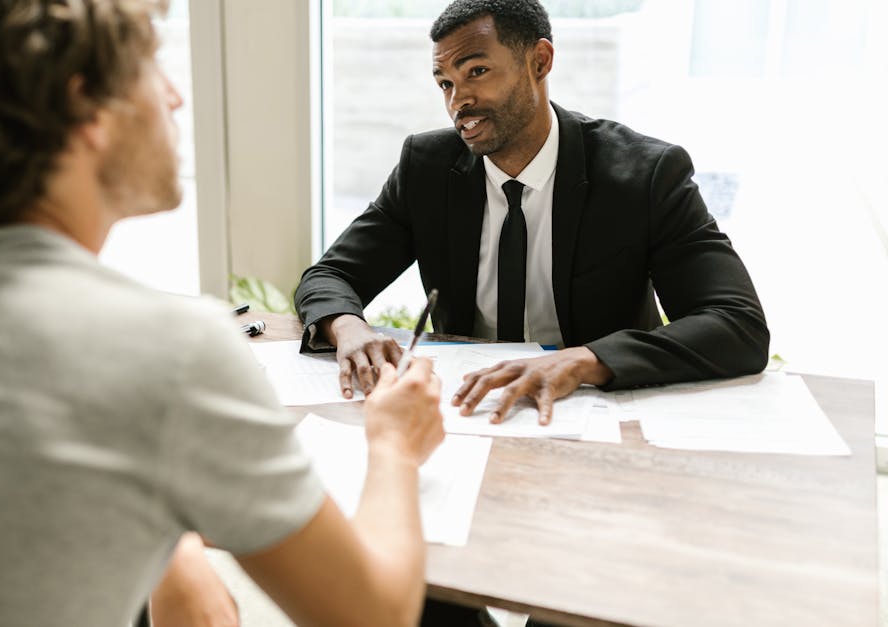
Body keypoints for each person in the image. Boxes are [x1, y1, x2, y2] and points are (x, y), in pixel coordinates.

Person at [0, 2, 447, 626]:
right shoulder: (169, 350)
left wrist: (172, 541)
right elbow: (375, 612)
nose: (175, 97)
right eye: (153, 66)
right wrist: (393, 445)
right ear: (84, 108)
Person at [295, 0, 770, 427]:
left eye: (476, 71)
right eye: (446, 82)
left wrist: (582, 361)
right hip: (467, 414)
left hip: (596, 416)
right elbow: (332, 275)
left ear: (539, 61)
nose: (457, 102)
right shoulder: (428, 167)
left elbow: (736, 324)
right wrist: (349, 327)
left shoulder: (644, 175)